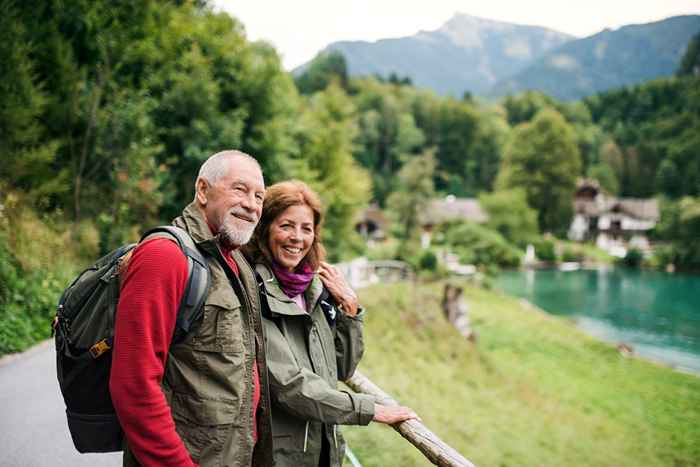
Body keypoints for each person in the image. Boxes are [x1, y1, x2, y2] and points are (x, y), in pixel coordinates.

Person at [109, 150, 273, 467]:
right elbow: (133, 385)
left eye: (259, 196)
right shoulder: (164, 256)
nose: (252, 205)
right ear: (202, 190)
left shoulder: (235, 262)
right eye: (240, 189)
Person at [243, 180, 417, 467]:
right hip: (278, 456)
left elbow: (342, 368)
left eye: (306, 228)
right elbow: (289, 386)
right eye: (286, 226)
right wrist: (371, 409)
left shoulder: (315, 289)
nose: (297, 238)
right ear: (264, 229)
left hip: (325, 450)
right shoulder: (252, 289)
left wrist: (350, 309)